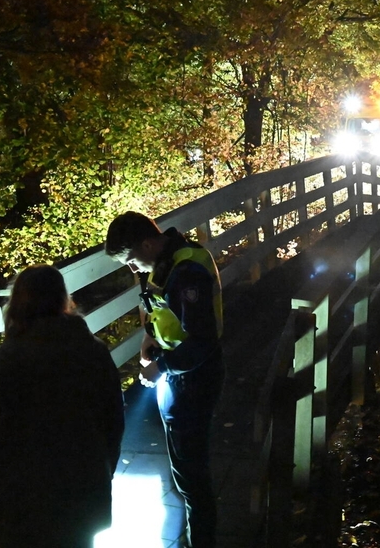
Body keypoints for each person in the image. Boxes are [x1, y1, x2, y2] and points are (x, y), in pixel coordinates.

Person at [0, 265, 124, 548]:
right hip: (79, 499)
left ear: (16, 304)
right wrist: (101, 472)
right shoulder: (94, 355)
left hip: (12, 509)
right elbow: (113, 423)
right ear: (64, 300)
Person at [104, 211, 224, 548]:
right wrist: (149, 340)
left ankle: (201, 540)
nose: (132, 269)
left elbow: (202, 341)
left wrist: (162, 367)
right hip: (181, 375)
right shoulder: (168, 261)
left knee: (192, 474)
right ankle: (195, 531)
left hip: (194, 379)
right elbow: (163, 312)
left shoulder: (186, 273)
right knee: (186, 467)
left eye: (131, 260)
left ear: (146, 243)